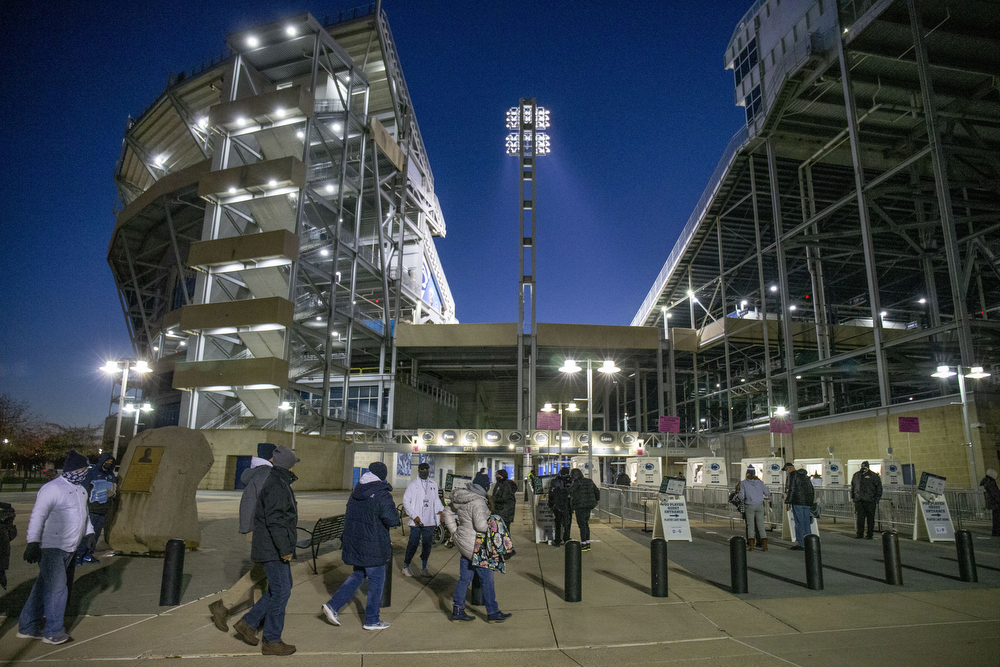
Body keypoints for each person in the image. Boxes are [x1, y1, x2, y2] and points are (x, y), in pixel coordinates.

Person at [17, 450, 95, 645]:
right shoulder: (52, 488)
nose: (85, 472)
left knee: (43, 587)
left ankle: (27, 627)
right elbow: (38, 515)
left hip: (70, 546)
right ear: (75, 469)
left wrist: (90, 532)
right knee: (58, 589)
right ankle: (53, 632)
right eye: (84, 468)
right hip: (51, 546)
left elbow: (84, 514)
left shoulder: (81, 490)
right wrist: (33, 542)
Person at [233, 445, 299, 655]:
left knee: (283, 587)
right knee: (281, 592)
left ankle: (248, 623)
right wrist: (284, 549)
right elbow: (276, 520)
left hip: (272, 545)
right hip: (272, 546)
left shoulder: (278, 481)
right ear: (288, 465)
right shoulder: (277, 485)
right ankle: (271, 640)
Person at [322, 461, 399, 631]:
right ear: (382, 476)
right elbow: (393, 519)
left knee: (358, 575)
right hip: (373, 545)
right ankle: (372, 620)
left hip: (357, 543)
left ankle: (332, 606)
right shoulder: (381, 493)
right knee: (377, 580)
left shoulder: (356, 490)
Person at [209, 443, 275, 632]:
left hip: (254, 527)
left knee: (261, 571)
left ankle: (257, 614)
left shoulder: (257, 472)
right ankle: (223, 604)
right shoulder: (265, 474)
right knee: (264, 569)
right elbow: (268, 504)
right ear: (272, 457)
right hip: (261, 528)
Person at [448, 472, 511, 623]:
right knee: (487, 580)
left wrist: (454, 531)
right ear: (484, 487)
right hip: (477, 546)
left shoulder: (462, 498)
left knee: (464, 579)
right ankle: (493, 612)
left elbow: (447, 511)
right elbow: (481, 526)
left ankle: (457, 610)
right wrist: (493, 521)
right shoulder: (478, 502)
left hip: (464, 544)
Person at [402, 461, 443, 577]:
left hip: (429, 521)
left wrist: (440, 510)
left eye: (426, 471)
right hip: (417, 521)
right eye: (422, 471)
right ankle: (406, 566)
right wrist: (414, 516)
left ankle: (424, 568)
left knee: (427, 545)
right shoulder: (413, 485)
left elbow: (436, 500)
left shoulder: (433, 485)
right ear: (418, 471)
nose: (424, 473)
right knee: (413, 544)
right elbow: (406, 501)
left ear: (429, 471)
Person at [76, 453, 117, 566]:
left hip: (103, 510)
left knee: (96, 534)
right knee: (87, 534)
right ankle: (79, 556)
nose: (109, 464)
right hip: (92, 509)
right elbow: (83, 489)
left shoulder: (110, 475)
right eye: (107, 461)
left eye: (111, 462)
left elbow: (113, 491)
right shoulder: (92, 473)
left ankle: (88, 555)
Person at [737, 466, 771, 551]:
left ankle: (751, 546)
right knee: (761, 526)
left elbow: (742, 496)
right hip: (759, 505)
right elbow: (767, 492)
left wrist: (739, 495)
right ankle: (765, 546)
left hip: (749, 505)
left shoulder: (743, 483)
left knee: (750, 526)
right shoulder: (760, 482)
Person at [783, 462, 814, 551]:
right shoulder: (804, 475)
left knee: (799, 522)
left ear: (789, 468)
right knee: (806, 522)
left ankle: (801, 543)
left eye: (786, 470)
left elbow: (791, 488)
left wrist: (788, 500)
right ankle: (809, 542)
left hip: (797, 501)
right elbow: (811, 489)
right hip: (806, 502)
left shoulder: (793, 475)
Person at [568, 468, 600, 551]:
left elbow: (570, 491)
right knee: (586, 524)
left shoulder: (576, 482)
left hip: (580, 506)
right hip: (589, 506)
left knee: (582, 525)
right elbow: (597, 491)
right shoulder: (589, 481)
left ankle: (584, 543)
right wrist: (596, 500)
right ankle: (587, 542)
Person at [850, 460, 882, 540]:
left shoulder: (871, 476)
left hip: (868, 500)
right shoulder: (858, 475)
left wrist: (876, 499)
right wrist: (854, 497)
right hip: (862, 500)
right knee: (862, 518)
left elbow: (878, 488)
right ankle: (862, 533)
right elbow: (853, 486)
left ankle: (867, 534)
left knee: (868, 518)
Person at [491, 469, 517, 557]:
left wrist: (493, 499)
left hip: (504, 512)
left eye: (498, 475)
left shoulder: (505, 485)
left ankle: (509, 551)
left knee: (505, 532)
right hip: (501, 511)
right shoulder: (500, 484)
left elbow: (503, 498)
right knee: (503, 532)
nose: (496, 477)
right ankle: (506, 549)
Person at [548, 467, 572, 546]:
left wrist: (551, 504)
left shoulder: (555, 481)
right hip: (567, 504)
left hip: (557, 504)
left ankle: (558, 540)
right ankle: (566, 538)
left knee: (558, 523)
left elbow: (551, 493)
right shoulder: (570, 480)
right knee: (567, 523)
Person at [979, 468, 1000, 537]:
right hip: (996, 504)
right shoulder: (991, 482)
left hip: (992, 503)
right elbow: (995, 494)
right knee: (997, 519)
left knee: (996, 518)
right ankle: (997, 532)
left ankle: (995, 532)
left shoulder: (986, 481)